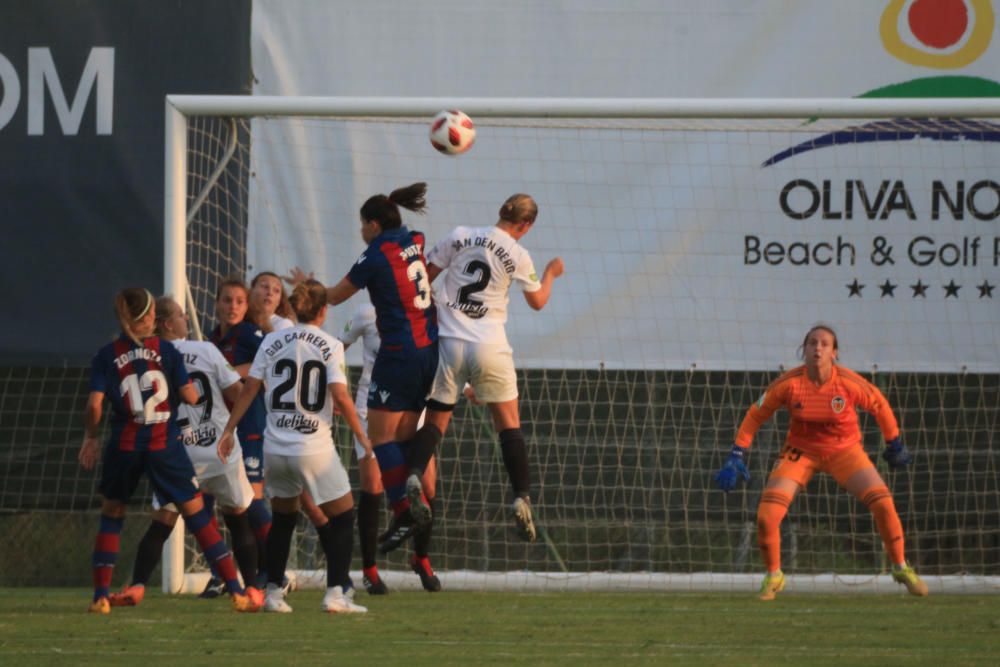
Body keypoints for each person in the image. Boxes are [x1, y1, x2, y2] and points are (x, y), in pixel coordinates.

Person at [713, 324, 928, 600]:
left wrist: (894, 442)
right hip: (800, 452)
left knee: (883, 502)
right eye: (812, 343)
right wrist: (736, 454)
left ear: (834, 352)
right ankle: (774, 576)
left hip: (845, 451)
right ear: (804, 350)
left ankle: (901, 568)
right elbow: (755, 414)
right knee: (767, 517)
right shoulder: (789, 383)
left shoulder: (848, 382)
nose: (818, 348)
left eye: (825, 343)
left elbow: (880, 405)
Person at [78, 288, 260, 613]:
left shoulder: (106, 354)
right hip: (171, 445)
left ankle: (103, 595)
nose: (185, 318)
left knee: (119, 516)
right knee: (205, 518)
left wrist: (90, 437)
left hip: (127, 445)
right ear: (153, 319)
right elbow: (194, 396)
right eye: (179, 314)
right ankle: (240, 590)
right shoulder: (171, 351)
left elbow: (94, 405)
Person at [288, 182, 439, 554]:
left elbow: (336, 295)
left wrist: (307, 287)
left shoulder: (375, 254)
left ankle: (403, 512)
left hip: (399, 351)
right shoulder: (414, 239)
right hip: (429, 350)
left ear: (372, 225)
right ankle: (415, 484)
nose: (361, 232)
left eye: (362, 225)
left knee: (379, 436)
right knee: (403, 435)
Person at [409, 193, 564, 543]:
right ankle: (521, 497)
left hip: (449, 342)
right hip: (490, 345)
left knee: (436, 421)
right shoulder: (519, 254)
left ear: (500, 212)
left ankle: (415, 473)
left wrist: (435, 309)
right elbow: (538, 302)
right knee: (508, 424)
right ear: (525, 226)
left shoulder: (460, 235)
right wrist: (552, 272)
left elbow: (424, 279)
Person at [219, 279, 370, 613]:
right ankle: (335, 593)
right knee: (343, 515)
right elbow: (341, 397)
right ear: (323, 310)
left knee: (284, 518)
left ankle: (273, 592)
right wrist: (361, 434)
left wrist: (229, 429)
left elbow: (248, 389)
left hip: (276, 448)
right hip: (313, 446)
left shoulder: (271, 341)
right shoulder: (330, 344)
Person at [338, 301, 441, 593]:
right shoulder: (367, 312)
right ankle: (370, 570)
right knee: (372, 485)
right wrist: (333, 388)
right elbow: (334, 348)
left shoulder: (427, 313)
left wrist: (468, 384)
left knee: (428, 487)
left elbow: (445, 354)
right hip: (372, 406)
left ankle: (421, 557)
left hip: (413, 405)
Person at [207, 278, 272, 594]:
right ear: (217, 303)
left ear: (247, 307)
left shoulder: (249, 334)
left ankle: (273, 568)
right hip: (222, 431)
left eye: (239, 301)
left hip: (250, 426)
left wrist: (230, 370)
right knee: (229, 502)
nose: (232, 306)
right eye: (227, 300)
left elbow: (271, 360)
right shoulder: (211, 340)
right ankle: (224, 573)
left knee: (252, 499)